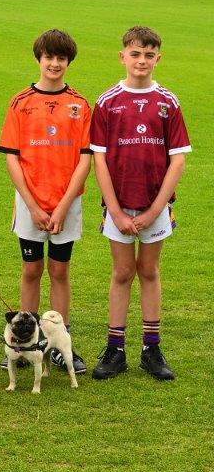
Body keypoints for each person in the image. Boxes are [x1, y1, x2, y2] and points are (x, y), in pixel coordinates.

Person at [90, 26, 191, 381]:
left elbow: (177, 160)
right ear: (123, 57)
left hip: (155, 205)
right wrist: (115, 210)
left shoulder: (168, 102)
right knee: (121, 272)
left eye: (149, 55)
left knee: (148, 271)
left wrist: (153, 210)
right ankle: (115, 350)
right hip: (119, 205)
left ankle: (151, 348)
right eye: (135, 54)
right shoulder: (107, 102)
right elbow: (98, 159)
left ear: (157, 58)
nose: (141, 61)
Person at [0, 29, 92, 374]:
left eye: (61, 58)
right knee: (31, 270)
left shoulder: (80, 105)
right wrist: (34, 206)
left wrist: (64, 205)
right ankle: (26, 341)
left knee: (60, 271)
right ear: (38, 59)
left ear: (68, 62)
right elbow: (12, 158)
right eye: (49, 57)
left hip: (66, 203)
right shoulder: (20, 102)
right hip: (30, 204)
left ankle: (59, 344)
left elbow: (85, 158)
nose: (54, 63)